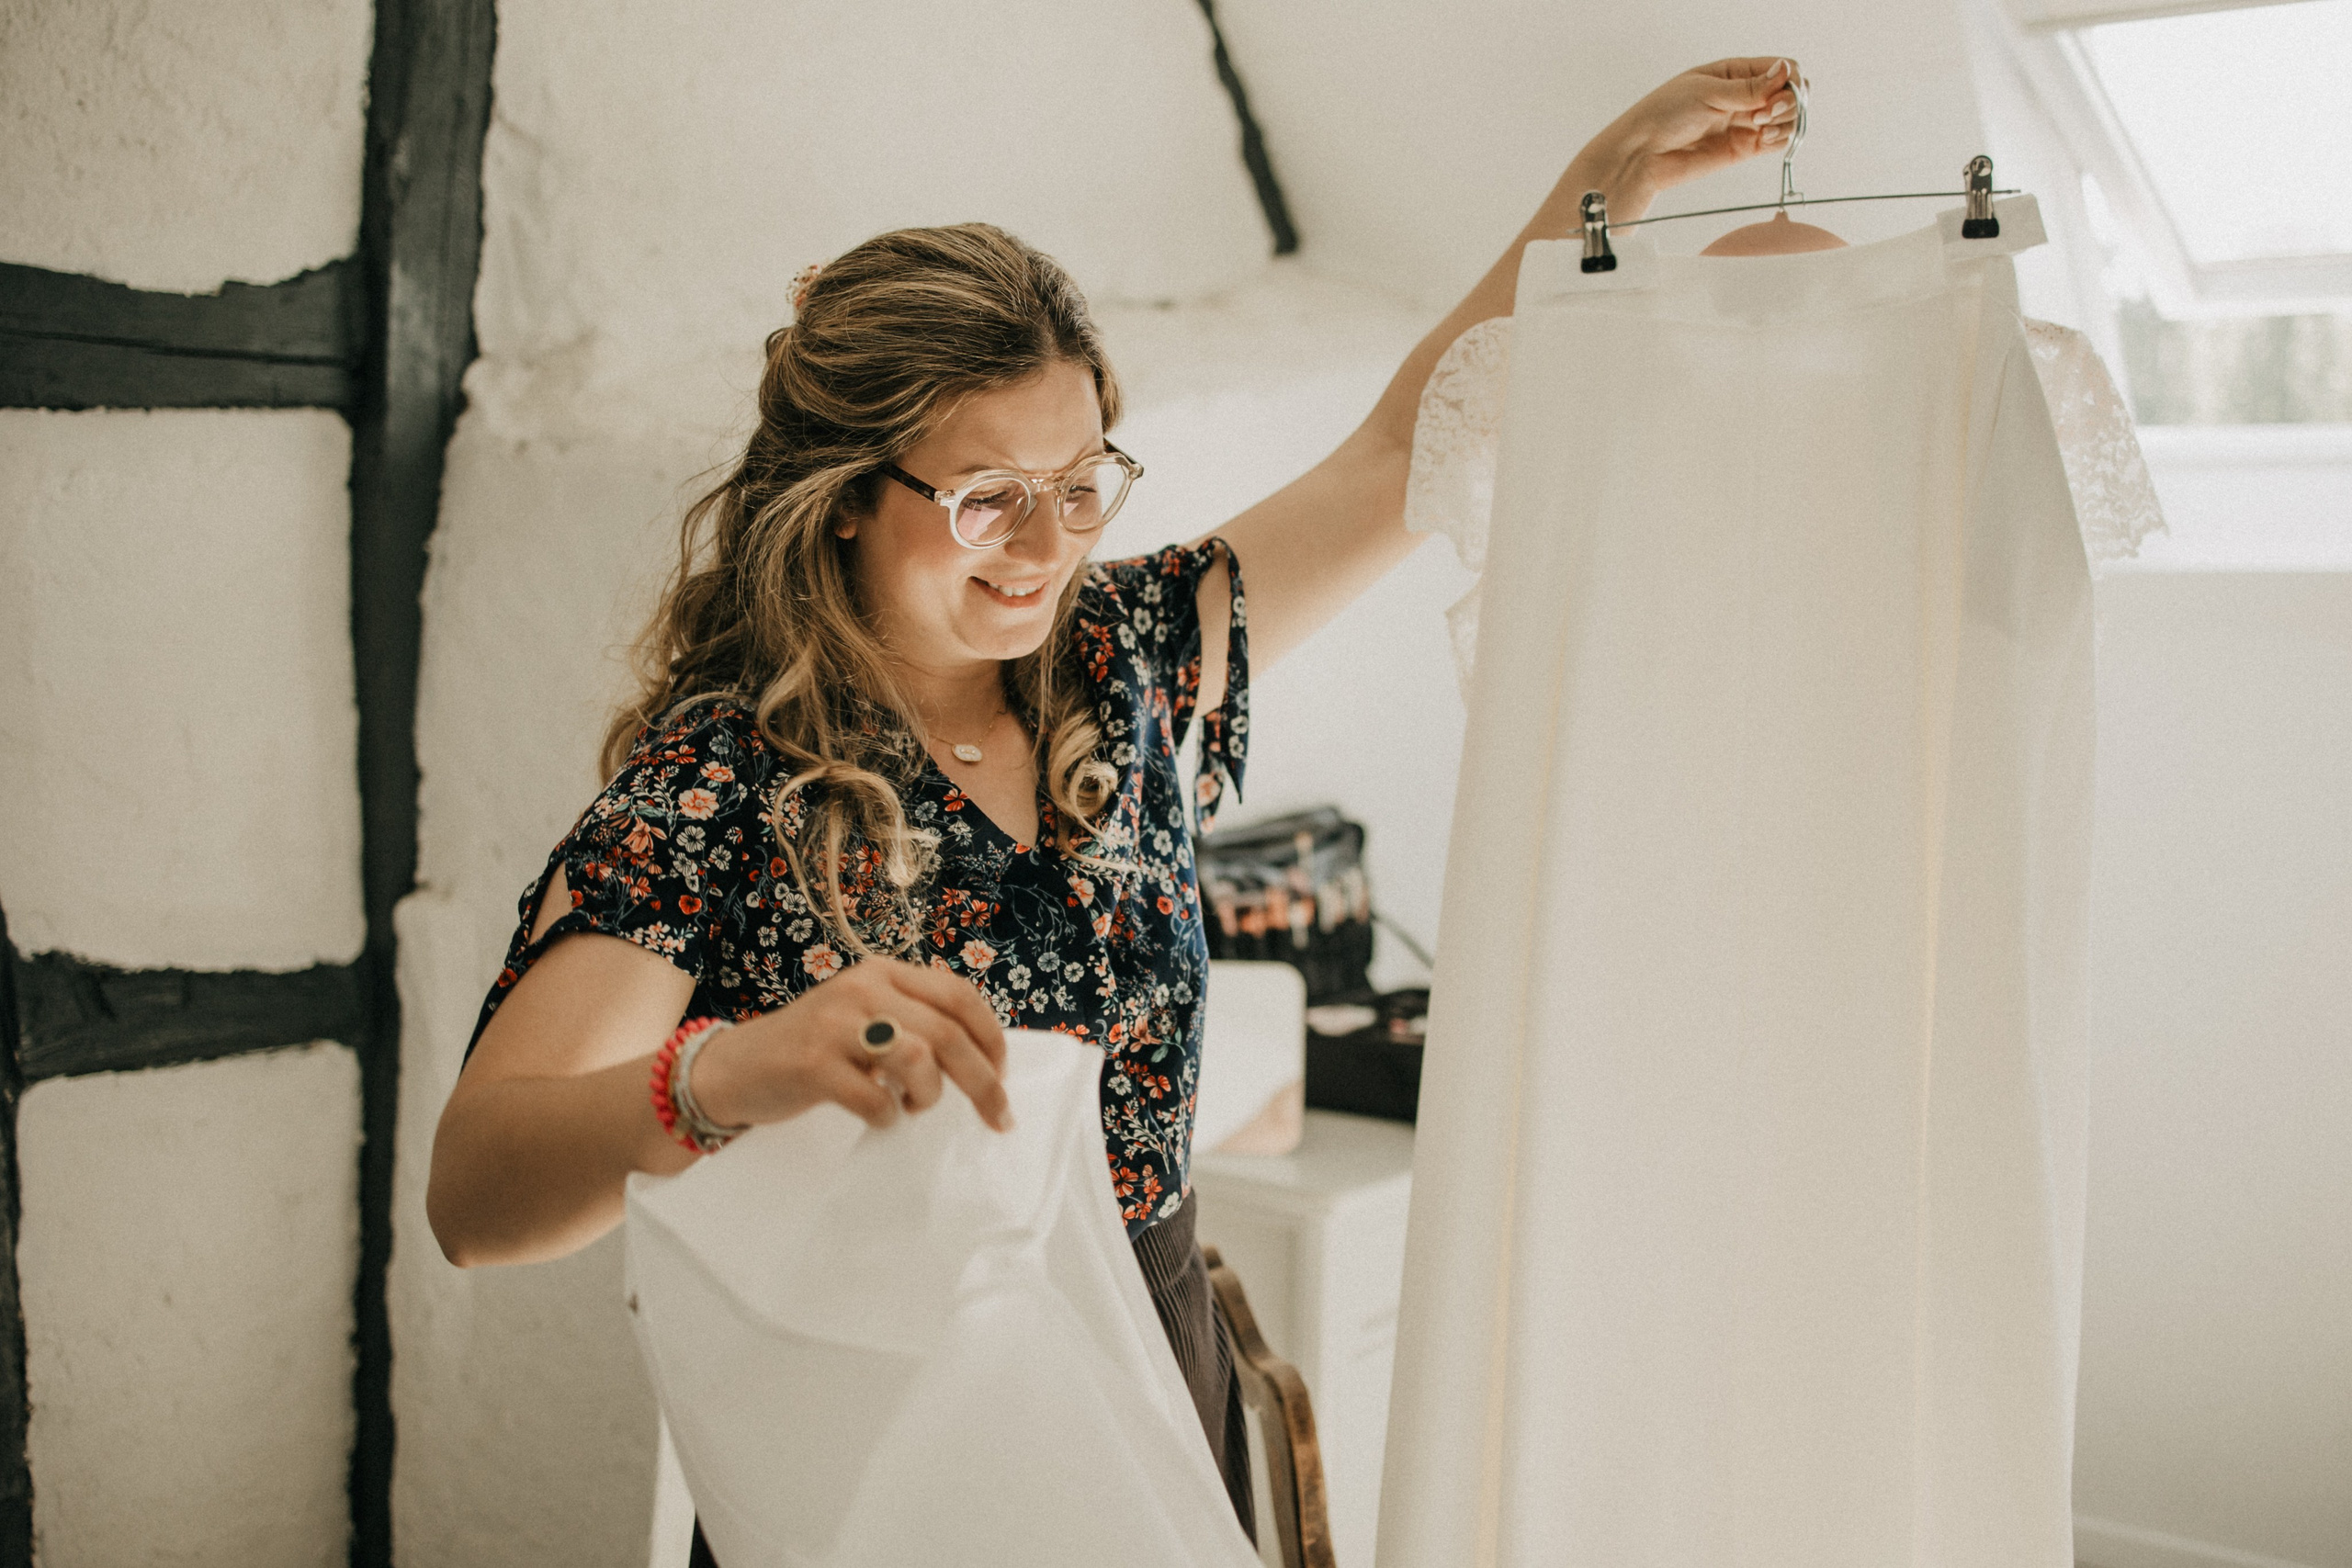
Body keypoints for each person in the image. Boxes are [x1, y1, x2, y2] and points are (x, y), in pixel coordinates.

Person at [425, 55, 1804, 1556]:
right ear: (840, 495)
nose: (1042, 545)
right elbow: (475, 1193)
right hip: (892, 1446)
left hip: (1157, 1368)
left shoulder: (1131, 660)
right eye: (985, 498)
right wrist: (730, 1069)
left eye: (1082, 485)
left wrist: (1608, 177)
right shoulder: (719, 788)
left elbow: (1413, 445)